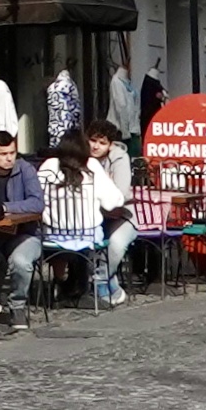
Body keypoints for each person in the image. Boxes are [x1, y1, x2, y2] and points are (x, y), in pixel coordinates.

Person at [38, 131, 127, 308]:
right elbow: (114, 201)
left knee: (56, 235)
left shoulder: (49, 165)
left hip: (54, 236)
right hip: (87, 237)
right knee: (96, 231)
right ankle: (82, 288)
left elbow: (36, 198)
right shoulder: (92, 166)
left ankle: (59, 281)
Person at [0, 127, 45, 323]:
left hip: (24, 233)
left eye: (12, 153)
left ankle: (17, 306)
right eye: (3, 154)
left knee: (21, 262)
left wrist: (5, 208)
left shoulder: (25, 169)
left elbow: (37, 203)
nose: (9, 158)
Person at [84, 117, 137, 302]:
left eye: (102, 142)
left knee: (116, 243)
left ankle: (100, 282)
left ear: (110, 145)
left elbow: (120, 194)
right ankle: (109, 283)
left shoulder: (120, 159)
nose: (96, 146)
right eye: (93, 140)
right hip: (91, 215)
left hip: (121, 215)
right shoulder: (82, 157)